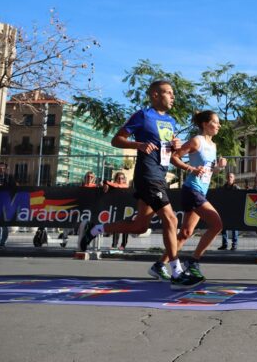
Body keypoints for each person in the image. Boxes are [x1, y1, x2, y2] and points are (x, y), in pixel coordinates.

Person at [77, 80, 199, 289]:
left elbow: (168, 153)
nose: (173, 97)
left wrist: (175, 147)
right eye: (169, 93)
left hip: (160, 175)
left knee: (140, 226)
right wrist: (138, 144)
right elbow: (117, 139)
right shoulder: (143, 116)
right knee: (171, 219)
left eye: (173, 93)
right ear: (155, 95)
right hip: (147, 175)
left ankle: (95, 228)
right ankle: (176, 271)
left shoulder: (171, 121)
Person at [156, 110, 227, 286]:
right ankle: (193, 261)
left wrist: (219, 168)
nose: (219, 126)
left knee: (186, 233)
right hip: (192, 190)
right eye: (215, 122)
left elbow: (209, 171)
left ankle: (159, 265)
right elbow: (174, 157)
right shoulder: (197, 141)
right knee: (217, 224)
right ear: (205, 124)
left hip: (201, 191)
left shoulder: (214, 145)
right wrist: (191, 169)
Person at [103, 172, 130, 250]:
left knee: (125, 227)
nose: (120, 180)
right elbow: (106, 189)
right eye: (118, 178)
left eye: (122, 178)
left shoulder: (126, 186)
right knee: (116, 227)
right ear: (115, 179)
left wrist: (107, 182)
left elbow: (119, 186)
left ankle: (123, 245)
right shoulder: (113, 186)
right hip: (116, 208)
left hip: (126, 208)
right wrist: (106, 185)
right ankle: (114, 244)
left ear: (124, 179)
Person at [219, 172, 240, 251]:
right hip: (225, 210)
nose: (229, 178)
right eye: (228, 177)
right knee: (223, 227)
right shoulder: (223, 188)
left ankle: (234, 245)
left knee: (234, 228)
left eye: (231, 177)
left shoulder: (237, 188)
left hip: (234, 211)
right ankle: (224, 244)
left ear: (234, 178)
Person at [0, 162, 17, 248]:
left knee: (5, 224)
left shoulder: (9, 178)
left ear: (6, 169)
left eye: (3, 168)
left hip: (6, 203)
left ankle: (3, 242)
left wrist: (3, 185)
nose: (1, 170)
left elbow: (13, 188)